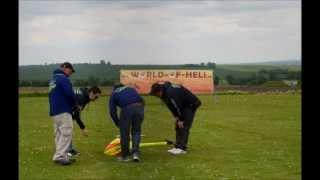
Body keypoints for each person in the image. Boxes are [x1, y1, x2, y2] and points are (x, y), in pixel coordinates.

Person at [149, 81, 201, 155]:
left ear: (159, 91)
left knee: (184, 126)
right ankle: (177, 146)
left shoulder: (171, 93)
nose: (156, 96)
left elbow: (178, 106)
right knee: (177, 126)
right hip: (183, 105)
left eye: (156, 94)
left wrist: (181, 119)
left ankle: (182, 148)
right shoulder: (164, 93)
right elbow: (171, 106)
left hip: (191, 105)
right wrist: (176, 117)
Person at [48, 62, 77, 165]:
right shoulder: (63, 79)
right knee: (66, 133)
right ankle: (60, 156)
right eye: (70, 70)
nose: (70, 73)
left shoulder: (53, 80)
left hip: (54, 111)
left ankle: (63, 156)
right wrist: (74, 105)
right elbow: (70, 94)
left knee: (59, 134)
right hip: (64, 109)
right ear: (65, 68)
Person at [108, 83, 144, 162]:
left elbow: (112, 111)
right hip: (140, 106)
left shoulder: (114, 93)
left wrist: (118, 123)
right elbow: (142, 100)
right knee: (136, 131)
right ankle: (135, 153)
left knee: (124, 133)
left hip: (127, 108)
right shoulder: (131, 88)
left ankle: (125, 156)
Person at [67, 86, 102, 157]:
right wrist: (83, 128)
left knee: (67, 130)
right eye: (96, 97)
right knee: (67, 131)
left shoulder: (85, 92)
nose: (96, 99)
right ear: (92, 93)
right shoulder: (81, 97)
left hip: (65, 110)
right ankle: (68, 151)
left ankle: (69, 149)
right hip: (63, 111)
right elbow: (76, 114)